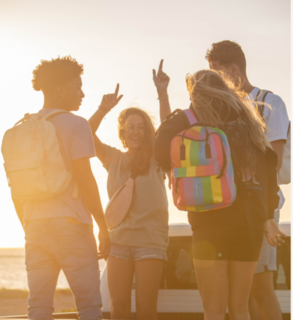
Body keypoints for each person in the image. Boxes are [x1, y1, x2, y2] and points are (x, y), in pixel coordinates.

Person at [154, 67, 285, 320]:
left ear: (195, 94)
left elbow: (161, 151)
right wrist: (268, 215)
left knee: (213, 310)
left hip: (209, 221)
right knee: (240, 309)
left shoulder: (190, 118)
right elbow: (270, 169)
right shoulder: (247, 122)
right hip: (250, 225)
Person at [11, 56, 111, 320]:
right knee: (89, 307)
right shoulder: (76, 124)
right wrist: (103, 225)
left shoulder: (23, 128)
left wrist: (29, 226)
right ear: (61, 89)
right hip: (71, 225)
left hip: (35, 226)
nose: (82, 93)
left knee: (39, 307)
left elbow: (15, 188)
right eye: (77, 86)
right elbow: (85, 178)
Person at [205, 40, 290, 320]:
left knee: (261, 287)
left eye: (216, 73)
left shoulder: (270, 102)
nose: (213, 80)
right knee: (243, 292)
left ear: (233, 70)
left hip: (260, 208)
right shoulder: (220, 108)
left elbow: (273, 163)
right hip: (230, 208)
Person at [87, 60, 171, 320]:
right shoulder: (113, 158)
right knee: (119, 308)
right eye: (130, 126)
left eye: (141, 126)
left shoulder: (158, 157)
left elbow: (168, 127)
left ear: (147, 130)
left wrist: (162, 93)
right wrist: (103, 109)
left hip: (150, 242)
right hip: (118, 243)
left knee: (147, 311)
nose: (135, 131)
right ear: (122, 130)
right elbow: (84, 134)